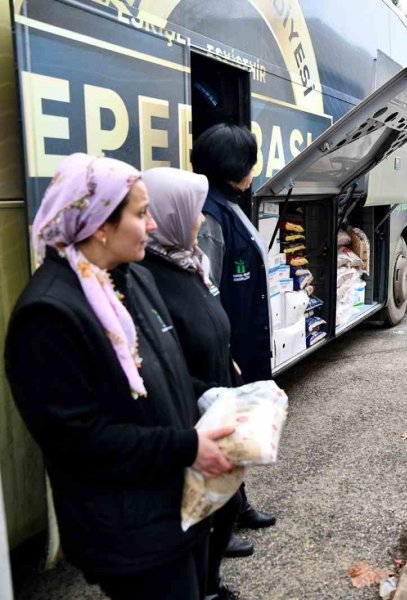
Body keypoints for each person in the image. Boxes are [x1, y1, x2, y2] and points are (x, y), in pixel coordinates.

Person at [4, 154, 233, 600]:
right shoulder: (48, 314)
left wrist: (222, 400)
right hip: (128, 531)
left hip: (174, 506)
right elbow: (79, 440)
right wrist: (189, 446)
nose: (151, 226)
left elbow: (163, 377)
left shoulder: (133, 280)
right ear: (99, 225)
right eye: (141, 213)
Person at [140, 167, 243, 600]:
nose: (201, 219)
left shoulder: (188, 259)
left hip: (213, 394)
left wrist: (228, 356)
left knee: (227, 504)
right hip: (190, 414)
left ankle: (209, 583)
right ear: (173, 214)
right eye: (194, 210)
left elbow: (207, 316)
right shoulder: (151, 274)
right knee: (208, 511)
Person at [193, 123, 276, 555]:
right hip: (230, 348)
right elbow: (208, 291)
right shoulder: (210, 216)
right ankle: (220, 526)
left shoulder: (226, 203)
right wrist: (225, 353)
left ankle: (238, 504)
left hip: (242, 340)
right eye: (250, 159)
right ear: (236, 166)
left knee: (239, 430)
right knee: (225, 432)